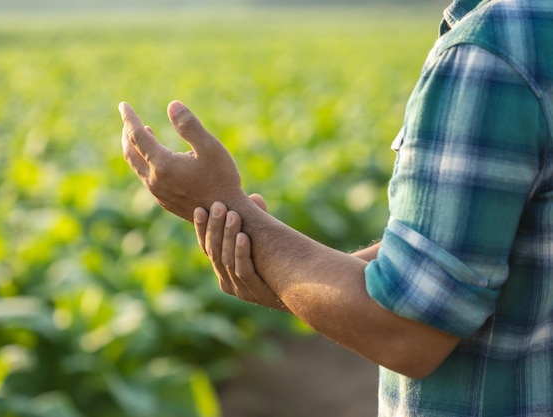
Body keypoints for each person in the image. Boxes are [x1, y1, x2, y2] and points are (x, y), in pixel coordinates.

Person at [119, 0, 553, 414]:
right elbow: (460, 250)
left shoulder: (493, 48)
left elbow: (407, 330)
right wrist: (283, 268)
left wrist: (225, 208)